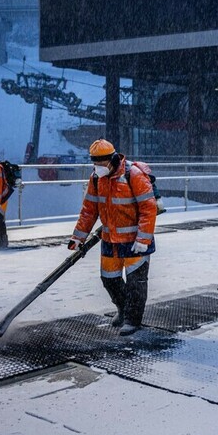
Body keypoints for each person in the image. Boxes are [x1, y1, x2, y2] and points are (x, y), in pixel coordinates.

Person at [69, 139, 158, 336]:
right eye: (95, 164)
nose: (98, 168)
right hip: (110, 239)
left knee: (136, 283)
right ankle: (123, 308)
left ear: (112, 160)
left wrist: (143, 240)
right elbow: (89, 211)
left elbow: (148, 208)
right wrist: (78, 237)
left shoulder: (133, 175)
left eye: (101, 164)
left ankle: (132, 320)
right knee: (109, 279)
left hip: (136, 241)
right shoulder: (96, 179)